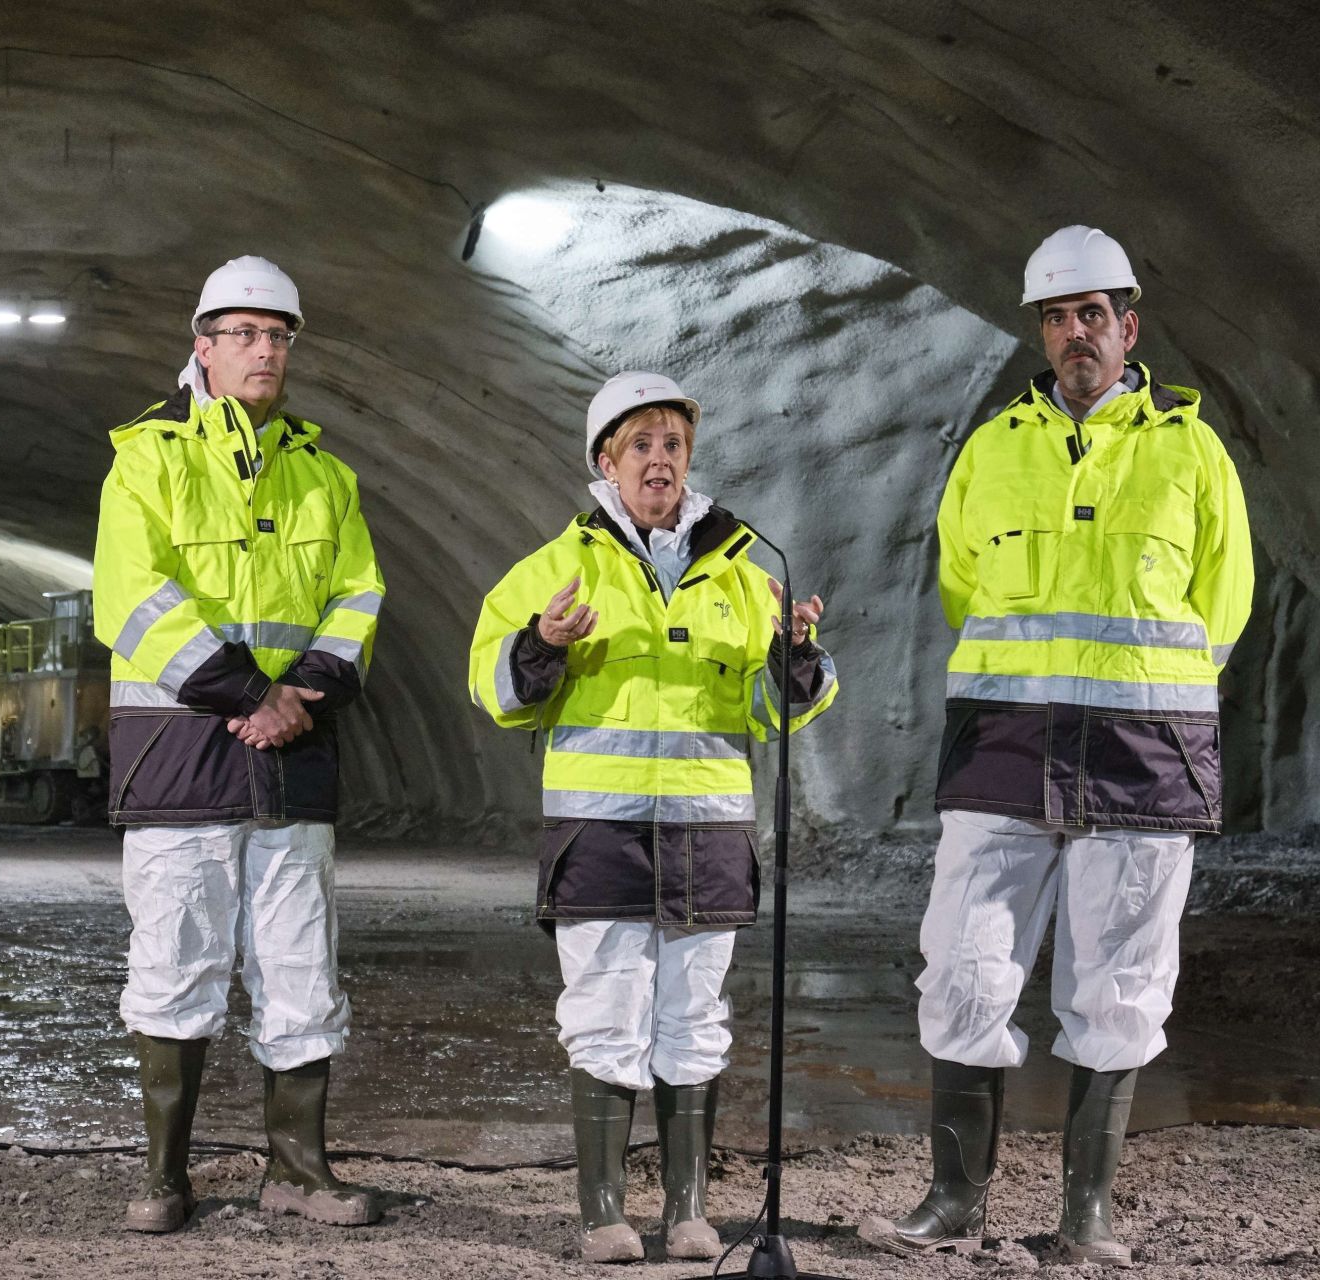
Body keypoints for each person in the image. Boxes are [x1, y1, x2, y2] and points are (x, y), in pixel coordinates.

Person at [859, 226, 1254, 1267]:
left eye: (1093, 315)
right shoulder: (992, 449)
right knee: (961, 965)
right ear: (1039, 329)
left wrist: (1135, 696)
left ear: (1130, 326)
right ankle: (955, 1199)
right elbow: (959, 587)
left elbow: (1222, 608)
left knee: (1120, 982)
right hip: (1004, 749)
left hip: (1144, 752)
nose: (1075, 333)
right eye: (1056, 316)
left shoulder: (1193, 452)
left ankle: (1086, 1215)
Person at [469, 372, 837, 1263]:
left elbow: (781, 713)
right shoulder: (554, 570)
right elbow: (492, 688)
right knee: (606, 1011)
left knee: (693, 1020)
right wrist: (540, 646)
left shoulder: (749, 578)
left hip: (709, 841)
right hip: (600, 839)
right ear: (605, 462)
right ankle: (603, 1212)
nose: (660, 459)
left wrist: (798, 660)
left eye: (674, 443)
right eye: (641, 444)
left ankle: (687, 1212)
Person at [92, 256, 386, 1233]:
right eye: (245, 333)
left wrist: (302, 691)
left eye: (279, 335)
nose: (265, 350)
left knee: (301, 963)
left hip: (292, 752)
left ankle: (298, 1167)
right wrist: (252, 691)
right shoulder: (148, 458)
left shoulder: (325, 474)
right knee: (175, 956)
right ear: (202, 345)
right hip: (182, 753)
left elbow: (358, 599)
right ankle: (164, 1175)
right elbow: (135, 600)